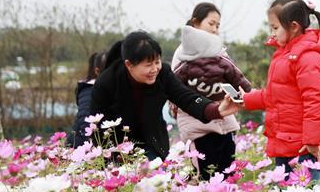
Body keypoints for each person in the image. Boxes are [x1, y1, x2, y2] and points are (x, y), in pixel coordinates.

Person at [89, 30, 240, 161]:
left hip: (152, 141)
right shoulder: (106, 83)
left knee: (155, 183)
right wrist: (112, 156)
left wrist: (216, 110)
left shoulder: (163, 74)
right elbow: (97, 124)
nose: (155, 69)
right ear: (129, 65)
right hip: (116, 148)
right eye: (148, 65)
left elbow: (186, 97)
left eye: (157, 62)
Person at [241, 0, 320, 182]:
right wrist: (244, 99)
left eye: (275, 27)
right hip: (285, 142)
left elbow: (316, 101)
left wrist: (311, 141)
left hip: (304, 148)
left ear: (294, 26)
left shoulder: (308, 57)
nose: (273, 33)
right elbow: (275, 96)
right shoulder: (284, 55)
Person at [171, 3, 252, 176]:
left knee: (227, 170)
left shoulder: (219, 52)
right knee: (206, 173)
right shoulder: (182, 53)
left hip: (223, 119)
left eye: (217, 25)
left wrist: (242, 94)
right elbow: (175, 89)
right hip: (197, 122)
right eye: (211, 23)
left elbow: (234, 76)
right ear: (195, 23)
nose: (215, 29)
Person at [70, 50, 107, 147]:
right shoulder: (89, 91)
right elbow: (85, 122)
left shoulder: (110, 89)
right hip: (82, 148)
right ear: (97, 71)